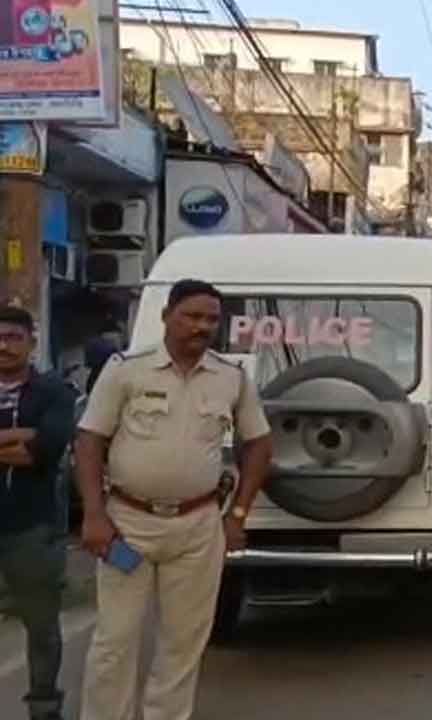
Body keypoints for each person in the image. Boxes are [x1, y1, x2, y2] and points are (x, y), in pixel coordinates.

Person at [75, 279, 273, 720]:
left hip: (198, 527)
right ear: (167, 316)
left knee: (183, 644)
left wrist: (237, 514)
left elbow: (259, 443)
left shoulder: (230, 378)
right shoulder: (127, 369)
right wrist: (93, 514)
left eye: (211, 320)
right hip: (128, 524)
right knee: (115, 641)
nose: (201, 327)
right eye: (192, 316)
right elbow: (89, 440)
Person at [0, 307, 76, 720]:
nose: (3, 346)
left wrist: (30, 443)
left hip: (32, 526)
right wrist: (18, 436)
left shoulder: (54, 392)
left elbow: (45, 448)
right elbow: (29, 442)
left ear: (30, 342)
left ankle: (44, 707)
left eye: (13, 337)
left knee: (41, 625)